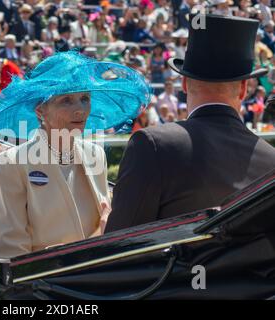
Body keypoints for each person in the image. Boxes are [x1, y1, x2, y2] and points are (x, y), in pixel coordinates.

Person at [106, 14, 275, 233]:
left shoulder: (152, 144)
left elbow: (117, 247)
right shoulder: (271, 161)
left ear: (184, 83)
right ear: (243, 89)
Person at [0, 51, 152, 258]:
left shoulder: (95, 155)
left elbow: (102, 226)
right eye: (66, 100)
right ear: (40, 110)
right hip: (42, 285)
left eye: (85, 98)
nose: (80, 110)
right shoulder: (11, 163)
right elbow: (11, 252)